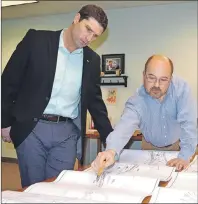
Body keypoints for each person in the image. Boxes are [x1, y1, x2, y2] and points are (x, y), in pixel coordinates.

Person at [1, 4, 113, 187]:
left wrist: (112, 142)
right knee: (33, 190)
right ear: (77, 19)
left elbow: (95, 102)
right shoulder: (36, 41)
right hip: (32, 129)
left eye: (95, 36)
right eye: (88, 29)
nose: (89, 38)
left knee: (60, 188)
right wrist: (4, 122)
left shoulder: (91, 60)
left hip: (66, 133)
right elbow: (8, 82)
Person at [91, 55, 197, 172]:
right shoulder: (137, 101)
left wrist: (185, 156)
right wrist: (111, 151)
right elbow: (124, 127)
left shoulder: (181, 91)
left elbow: (189, 124)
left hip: (176, 146)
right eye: (151, 78)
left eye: (163, 79)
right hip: (148, 146)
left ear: (170, 79)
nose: (156, 85)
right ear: (144, 75)